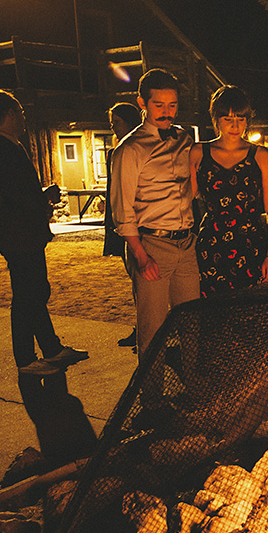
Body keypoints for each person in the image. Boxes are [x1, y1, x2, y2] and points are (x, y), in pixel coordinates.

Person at [0, 89, 88, 376]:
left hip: (23, 232)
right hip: (19, 234)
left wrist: (41, 196)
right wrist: (45, 198)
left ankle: (51, 348)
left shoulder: (7, 147)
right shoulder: (2, 150)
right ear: (10, 113)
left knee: (36, 292)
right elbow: (15, 194)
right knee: (26, 296)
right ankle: (26, 360)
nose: (24, 116)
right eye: (20, 111)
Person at [110, 68, 199, 356]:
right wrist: (140, 255)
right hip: (152, 244)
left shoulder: (184, 139)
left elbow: (193, 186)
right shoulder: (131, 149)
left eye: (172, 105)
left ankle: (197, 392)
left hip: (186, 243)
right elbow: (122, 210)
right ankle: (152, 400)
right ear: (142, 103)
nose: (166, 111)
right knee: (153, 329)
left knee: (192, 324)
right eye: (158, 105)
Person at [190, 85, 268, 296]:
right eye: (228, 119)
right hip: (211, 245)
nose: (235, 125)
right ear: (216, 119)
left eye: (240, 118)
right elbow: (184, 201)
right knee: (214, 315)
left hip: (251, 244)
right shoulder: (198, 153)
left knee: (254, 315)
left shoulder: (260, 156)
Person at [102, 102, 141, 348]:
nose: (114, 127)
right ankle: (141, 326)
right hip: (119, 216)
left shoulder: (133, 150)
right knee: (133, 277)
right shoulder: (115, 152)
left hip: (135, 218)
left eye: (117, 122)